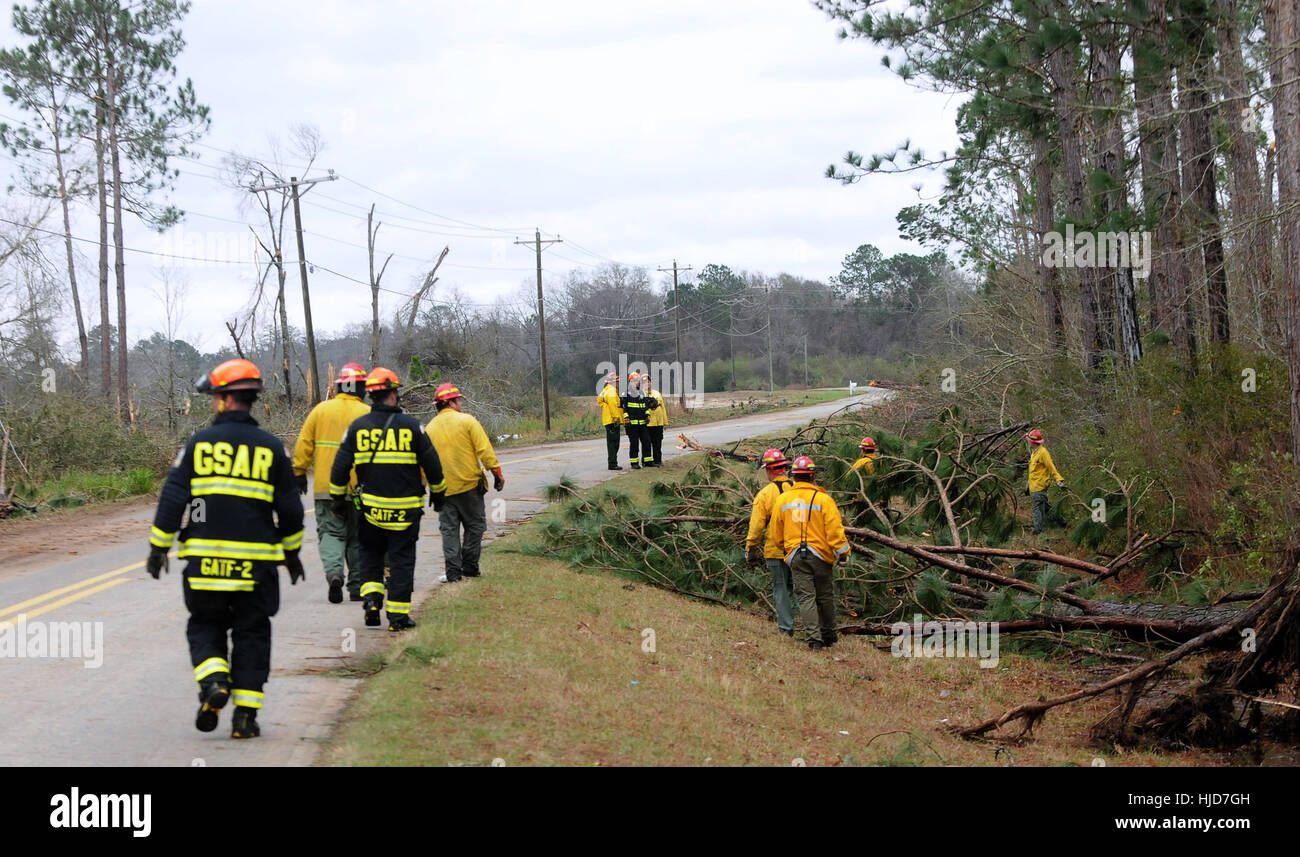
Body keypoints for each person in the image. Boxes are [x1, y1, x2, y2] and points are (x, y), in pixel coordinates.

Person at [146, 359, 305, 739]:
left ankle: (215, 681)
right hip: (256, 568)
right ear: (252, 400)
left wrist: (158, 548)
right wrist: (292, 552)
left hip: (205, 565)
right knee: (252, 634)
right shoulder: (272, 449)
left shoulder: (198, 445)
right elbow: (291, 509)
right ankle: (245, 718)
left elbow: (172, 500)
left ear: (221, 400)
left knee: (205, 624)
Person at [329, 368, 445, 632]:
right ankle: (397, 617)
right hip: (405, 513)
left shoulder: (357, 428)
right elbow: (432, 464)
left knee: (370, 555)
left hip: (370, 511)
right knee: (401, 559)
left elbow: (339, 467)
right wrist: (439, 493)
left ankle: (371, 601)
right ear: (393, 394)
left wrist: (337, 498)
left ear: (371, 396)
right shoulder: (413, 426)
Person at [292, 362, 371, 604]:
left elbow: (304, 444)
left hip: (326, 489)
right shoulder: (368, 414)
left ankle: (334, 574)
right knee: (359, 537)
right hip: (361, 489)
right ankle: (358, 586)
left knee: (331, 533)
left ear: (338, 387)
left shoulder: (320, 411)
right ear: (361, 388)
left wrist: (299, 472)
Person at [427, 382, 505, 583]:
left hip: (442, 490)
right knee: (475, 526)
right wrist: (497, 473)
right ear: (451, 402)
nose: (460, 403)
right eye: (458, 400)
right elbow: (485, 451)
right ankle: (469, 566)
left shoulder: (429, 428)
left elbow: (423, 461)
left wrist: (426, 485)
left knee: (449, 531)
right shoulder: (467, 421)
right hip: (469, 487)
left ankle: (453, 571)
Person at [770, 455, 850, 650]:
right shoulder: (824, 500)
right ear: (813, 476)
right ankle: (829, 635)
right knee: (824, 596)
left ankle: (814, 640)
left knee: (806, 597)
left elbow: (775, 532)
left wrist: (785, 548)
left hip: (795, 556)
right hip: (821, 555)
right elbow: (834, 531)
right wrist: (843, 552)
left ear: (794, 476)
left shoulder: (783, 500)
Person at [745, 448, 795, 636]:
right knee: (800, 589)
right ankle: (809, 625)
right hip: (800, 549)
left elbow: (756, 527)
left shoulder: (765, 495)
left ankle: (786, 628)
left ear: (771, 470)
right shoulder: (799, 489)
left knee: (781, 589)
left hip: (775, 549)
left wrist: (750, 548)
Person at [1026, 428, 1065, 536]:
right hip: (1034, 486)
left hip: (1040, 486)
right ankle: (1062, 522)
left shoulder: (1043, 453)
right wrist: (1028, 485)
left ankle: (1037, 531)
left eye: (1029, 439)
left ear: (1032, 441)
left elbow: (1051, 467)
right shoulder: (1034, 452)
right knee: (1047, 508)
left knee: (1036, 508)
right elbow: (1034, 471)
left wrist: (1059, 479)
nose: (1028, 441)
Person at [621, 371, 656, 469]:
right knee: (634, 444)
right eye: (633, 381)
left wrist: (647, 415)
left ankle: (648, 461)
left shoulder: (641, 393)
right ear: (630, 381)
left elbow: (645, 406)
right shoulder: (626, 393)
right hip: (631, 424)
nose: (635, 382)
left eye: (637, 381)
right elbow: (624, 407)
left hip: (642, 423)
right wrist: (626, 418)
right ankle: (634, 463)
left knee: (647, 441)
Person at [598, 371, 624, 471]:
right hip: (613, 421)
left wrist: (604, 406)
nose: (617, 383)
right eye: (616, 381)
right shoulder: (612, 391)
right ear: (612, 382)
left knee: (611, 442)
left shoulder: (605, 390)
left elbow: (599, 400)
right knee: (614, 443)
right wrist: (617, 418)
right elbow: (613, 406)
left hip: (608, 420)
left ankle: (612, 462)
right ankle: (613, 464)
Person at [643, 374, 666, 467]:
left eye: (648, 381)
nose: (647, 383)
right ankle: (646, 462)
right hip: (647, 423)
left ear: (650, 382)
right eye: (644, 382)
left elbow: (663, 407)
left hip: (658, 422)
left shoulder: (657, 393)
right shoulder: (640, 394)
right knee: (646, 443)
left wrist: (665, 421)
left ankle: (658, 460)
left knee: (657, 443)